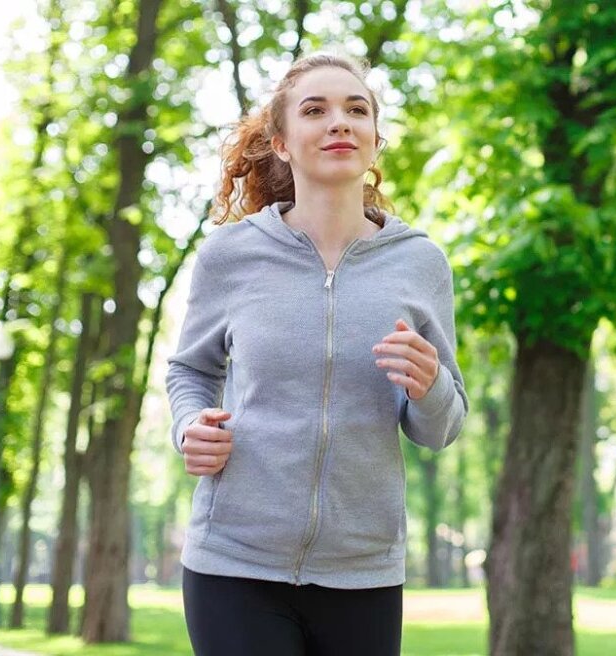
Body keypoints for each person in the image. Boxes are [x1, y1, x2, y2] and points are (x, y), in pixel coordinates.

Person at [165, 52, 468, 656]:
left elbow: (442, 428)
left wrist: (429, 385)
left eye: (356, 110)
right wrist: (188, 426)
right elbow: (191, 370)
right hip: (235, 564)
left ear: (375, 142)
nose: (340, 122)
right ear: (281, 143)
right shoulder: (230, 255)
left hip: (364, 572)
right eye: (316, 110)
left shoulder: (420, 263)